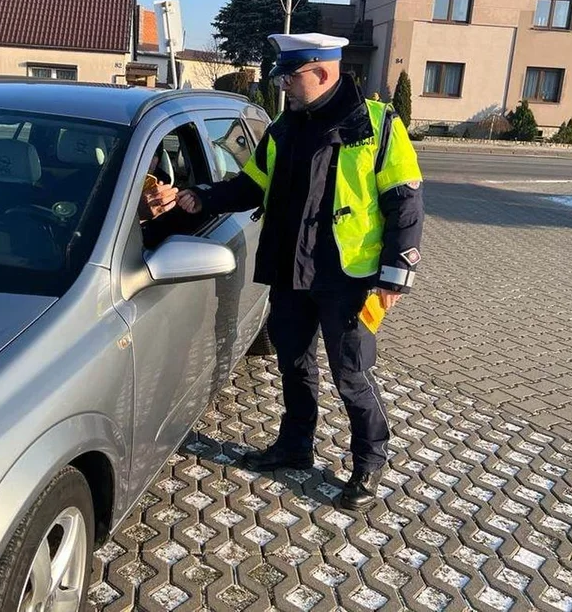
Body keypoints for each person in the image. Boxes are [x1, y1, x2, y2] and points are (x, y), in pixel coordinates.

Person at [177, 32, 424, 511]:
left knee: (351, 373)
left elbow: (406, 202)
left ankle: (368, 462)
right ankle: (295, 446)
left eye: (290, 76)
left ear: (322, 71)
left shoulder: (377, 125)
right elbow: (252, 186)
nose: (283, 85)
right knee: (293, 363)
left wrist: (396, 274)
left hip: (349, 279)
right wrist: (203, 196)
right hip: (290, 272)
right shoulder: (285, 127)